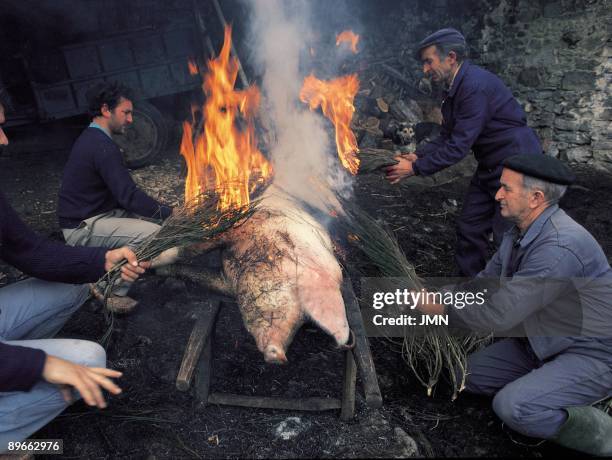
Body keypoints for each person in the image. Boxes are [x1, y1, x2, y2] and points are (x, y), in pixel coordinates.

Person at [415, 154, 612, 456]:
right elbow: (484, 283)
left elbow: (500, 314)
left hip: (591, 352)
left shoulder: (558, 247)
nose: (497, 195)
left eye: (506, 189)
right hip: (540, 342)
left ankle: (603, 433)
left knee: (512, 406)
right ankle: (549, 385)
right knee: (462, 376)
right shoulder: (518, 232)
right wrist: (439, 296)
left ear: (535, 198)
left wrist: (442, 311)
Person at [0, 104, 151, 451]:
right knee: (88, 361)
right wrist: (42, 365)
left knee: (74, 290)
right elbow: (128, 196)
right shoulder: (99, 144)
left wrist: (102, 260)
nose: (5, 141)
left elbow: (28, 250)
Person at [385, 28, 542, 277]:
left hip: (517, 163)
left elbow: (458, 146)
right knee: (470, 225)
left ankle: (512, 303)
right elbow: (447, 135)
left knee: (508, 236)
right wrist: (418, 155)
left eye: (429, 61)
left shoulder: (474, 87)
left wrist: (415, 169)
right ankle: (472, 290)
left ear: (451, 57)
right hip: (491, 165)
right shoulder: (452, 88)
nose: (425, 69)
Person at [57, 81, 173, 313]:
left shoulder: (94, 139)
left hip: (96, 215)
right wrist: (171, 215)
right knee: (153, 235)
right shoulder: (101, 146)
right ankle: (108, 289)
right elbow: (128, 196)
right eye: (126, 112)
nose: (130, 119)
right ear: (106, 110)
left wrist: (158, 213)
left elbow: (124, 196)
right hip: (82, 227)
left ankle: (105, 271)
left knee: (148, 226)